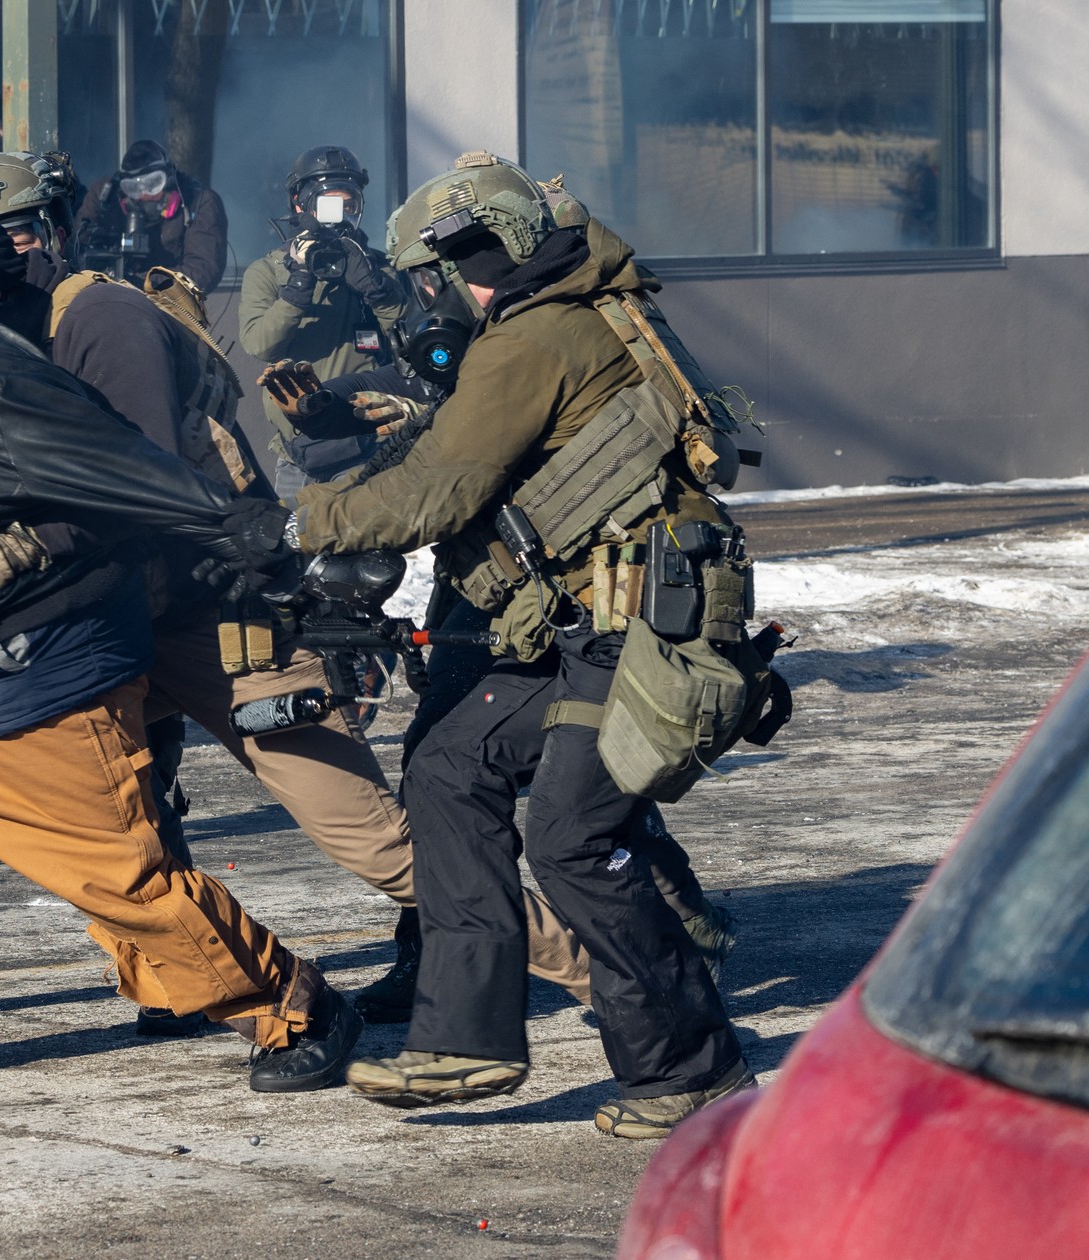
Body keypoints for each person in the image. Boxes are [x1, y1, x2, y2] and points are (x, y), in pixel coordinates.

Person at [0, 197, 364, 1091]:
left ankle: (297, 1008)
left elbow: (135, 474)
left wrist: (259, 542)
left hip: (19, 685)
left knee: (127, 884)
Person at [291, 152, 751, 1137]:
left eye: (437, 274)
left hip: (641, 634)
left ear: (480, 255)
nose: (434, 297)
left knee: (576, 841)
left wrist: (302, 523)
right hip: (604, 625)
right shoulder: (579, 312)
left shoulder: (535, 337)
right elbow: (510, 449)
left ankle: (693, 1075)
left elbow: (436, 495)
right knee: (451, 769)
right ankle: (465, 1036)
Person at [239, 146, 410, 486]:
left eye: (348, 205)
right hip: (298, 450)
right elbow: (259, 346)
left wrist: (374, 287)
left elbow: (408, 330)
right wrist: (297, 288)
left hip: (369, 442)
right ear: (301, 204)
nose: (339, 214)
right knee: (295, 536)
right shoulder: (268, 271)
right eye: (328, 204)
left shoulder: (377, 268)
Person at [75, 140, 229, 291]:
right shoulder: (105, 197)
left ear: (169, 179)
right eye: (132, 188)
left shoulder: (198, 202)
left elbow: (203, 271)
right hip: (107, 294)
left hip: (171, 304)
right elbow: (74, 246)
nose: (143, 195)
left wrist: (143, 282)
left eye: (152, 184)